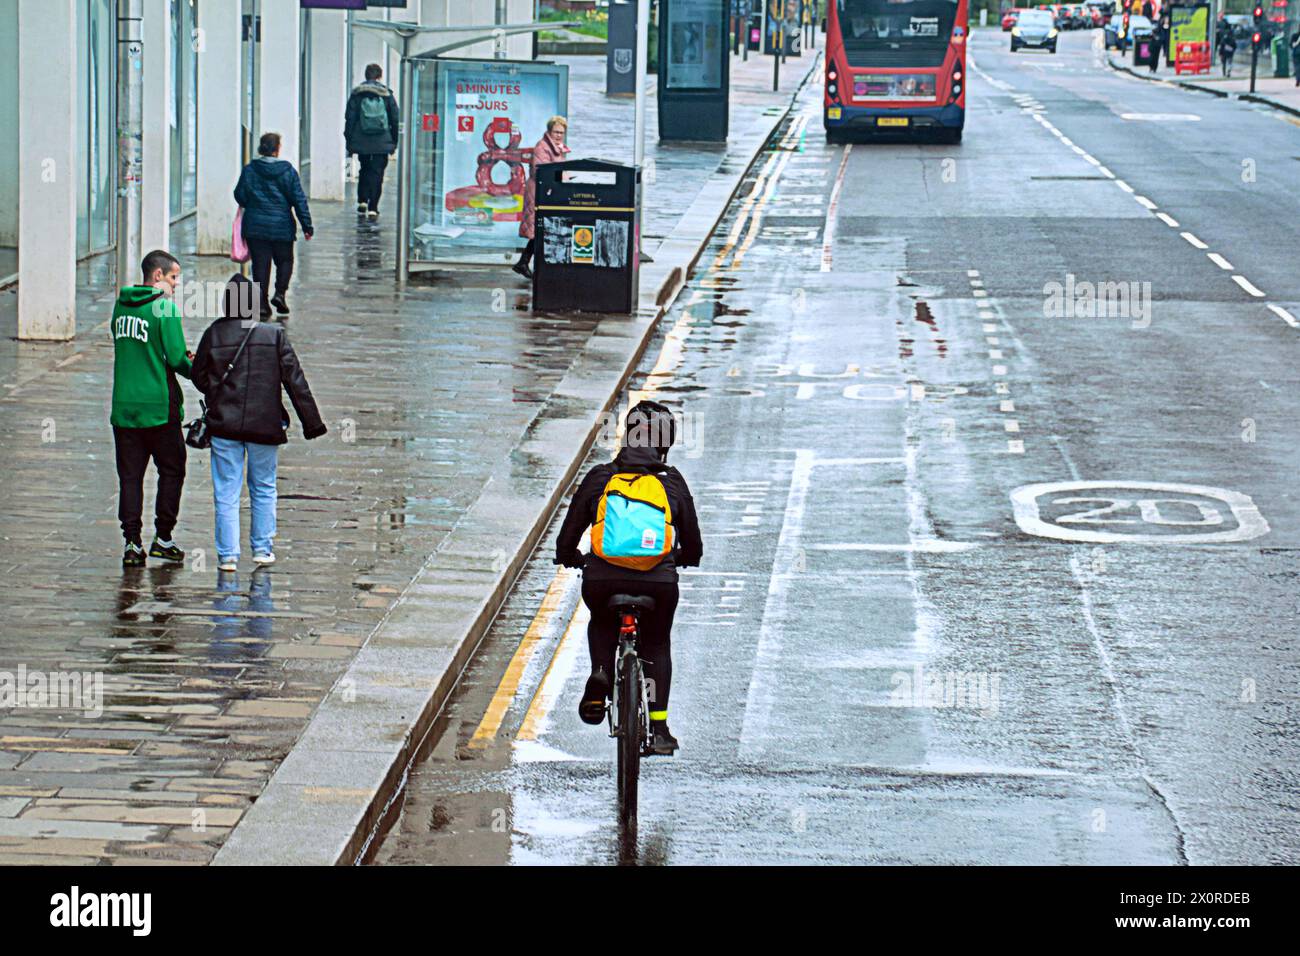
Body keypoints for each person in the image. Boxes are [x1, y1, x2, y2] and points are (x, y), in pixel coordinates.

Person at [553, 400, 703, 755]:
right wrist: (685, 558)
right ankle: (661, 727)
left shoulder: (601, 476)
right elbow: (693, 540)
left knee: (601, 620)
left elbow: (569, 533)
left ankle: (602, 672)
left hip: (602, 579)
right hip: (657, 581)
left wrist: (569, 557)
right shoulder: (673, 482)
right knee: (657, 643)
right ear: (665, 442)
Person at [190, 274, 327, 572]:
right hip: (265, 426)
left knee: (226, 489)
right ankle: (262, 549)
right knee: (263, 486)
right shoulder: (273, 335)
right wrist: (312, 423)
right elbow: (296, 381)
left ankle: (227, 556)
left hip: (224, 424)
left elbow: (199, 376)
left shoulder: (215, 333)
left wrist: (217, 389)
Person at [111, 249, 193, 568]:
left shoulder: (120, 307)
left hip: (124, 407)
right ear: (157, 276)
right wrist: (203, 370)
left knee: (130, 477)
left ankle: (132, 543)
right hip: (159, 407)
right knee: (172, 469)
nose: (175, 286)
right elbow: (177, 360)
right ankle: (163, 538)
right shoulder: (164, 309)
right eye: (174, 278)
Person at [234, 132, 313, 319]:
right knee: (285, 260)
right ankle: (280, 294)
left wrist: (252, 203)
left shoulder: (250, 170)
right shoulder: (288, 171)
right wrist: (307, 226)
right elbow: (299, 200)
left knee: (260, 264)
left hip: (255, 226)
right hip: (282, 226)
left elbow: (239, 194)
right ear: (277, 149)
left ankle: (262, 304)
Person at [513, 115, 571, 280]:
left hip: (547, 191)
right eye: (556, 131)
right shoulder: (542, 147)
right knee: (539, 229)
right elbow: (540, 171)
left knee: (540, 230)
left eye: (561, 132)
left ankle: (524, 263)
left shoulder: (557, 147)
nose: (559, 135)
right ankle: (531, 264)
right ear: (549, 131)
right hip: (539, 192)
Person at [344, 63, 400, 220]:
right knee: (377, 173)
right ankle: (373, 207)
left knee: (365, 169)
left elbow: (350, 118)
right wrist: (394, 141)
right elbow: (395, 119)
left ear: (366, 75)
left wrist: (349, 141)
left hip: (361, 141)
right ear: (379, 76)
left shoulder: (357, 94)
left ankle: (362, 200)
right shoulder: (387, 95)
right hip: (382, 142)